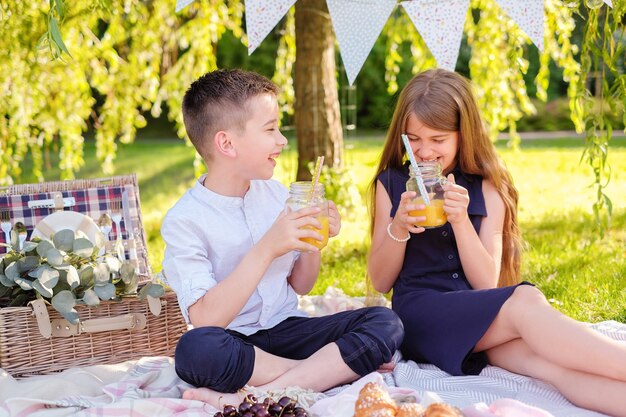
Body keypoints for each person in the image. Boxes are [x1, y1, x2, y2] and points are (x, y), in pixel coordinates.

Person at [367, 68, 626, 417]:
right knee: (524, 299)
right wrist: (398, 225)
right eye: (413, 138)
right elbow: (381, 281)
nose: (424, 151)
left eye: (438, 139)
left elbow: (486, 282)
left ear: (464, 134)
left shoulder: (488, 186)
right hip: (421, 318)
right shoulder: (392, 183)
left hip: (480, 321)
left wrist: (461, 221)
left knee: (551, 368)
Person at [161, 68, 404, 408]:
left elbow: (302, 286)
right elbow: (205, 319)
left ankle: (263, 393)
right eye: (270, 128)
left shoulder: (277, 195)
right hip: (236, 344)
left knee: (385, 321)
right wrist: (267, 247)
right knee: (194, 350)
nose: (282, 140)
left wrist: (313, 244)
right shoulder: (185, 220)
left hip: (289, 330)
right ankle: (324, 372)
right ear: (227, 143)